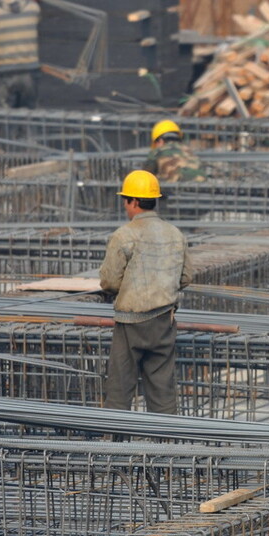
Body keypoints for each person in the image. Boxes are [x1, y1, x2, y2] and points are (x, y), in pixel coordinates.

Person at [99, 170, 192, 415]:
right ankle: (165, 448)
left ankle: (115, 448)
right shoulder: (175, 234)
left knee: (120, 388)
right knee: (162, 389)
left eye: (126, 201)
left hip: (131, 324)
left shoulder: (124, 235)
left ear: (135, 202)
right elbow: (186, 277)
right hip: (164, 321)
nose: (125, 207)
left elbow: (109, 281)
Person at [0, 0, 39, 109]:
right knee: (31, 113)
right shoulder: (33, 8)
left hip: (5, 70)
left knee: (7, 114)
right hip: (29, 69)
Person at [144, 119, 207, 184]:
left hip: (174, 190)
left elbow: (145, 176)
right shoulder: (189, 151)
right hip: (201, 188)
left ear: (160, 140)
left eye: (156, 144)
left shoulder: (157, 152)